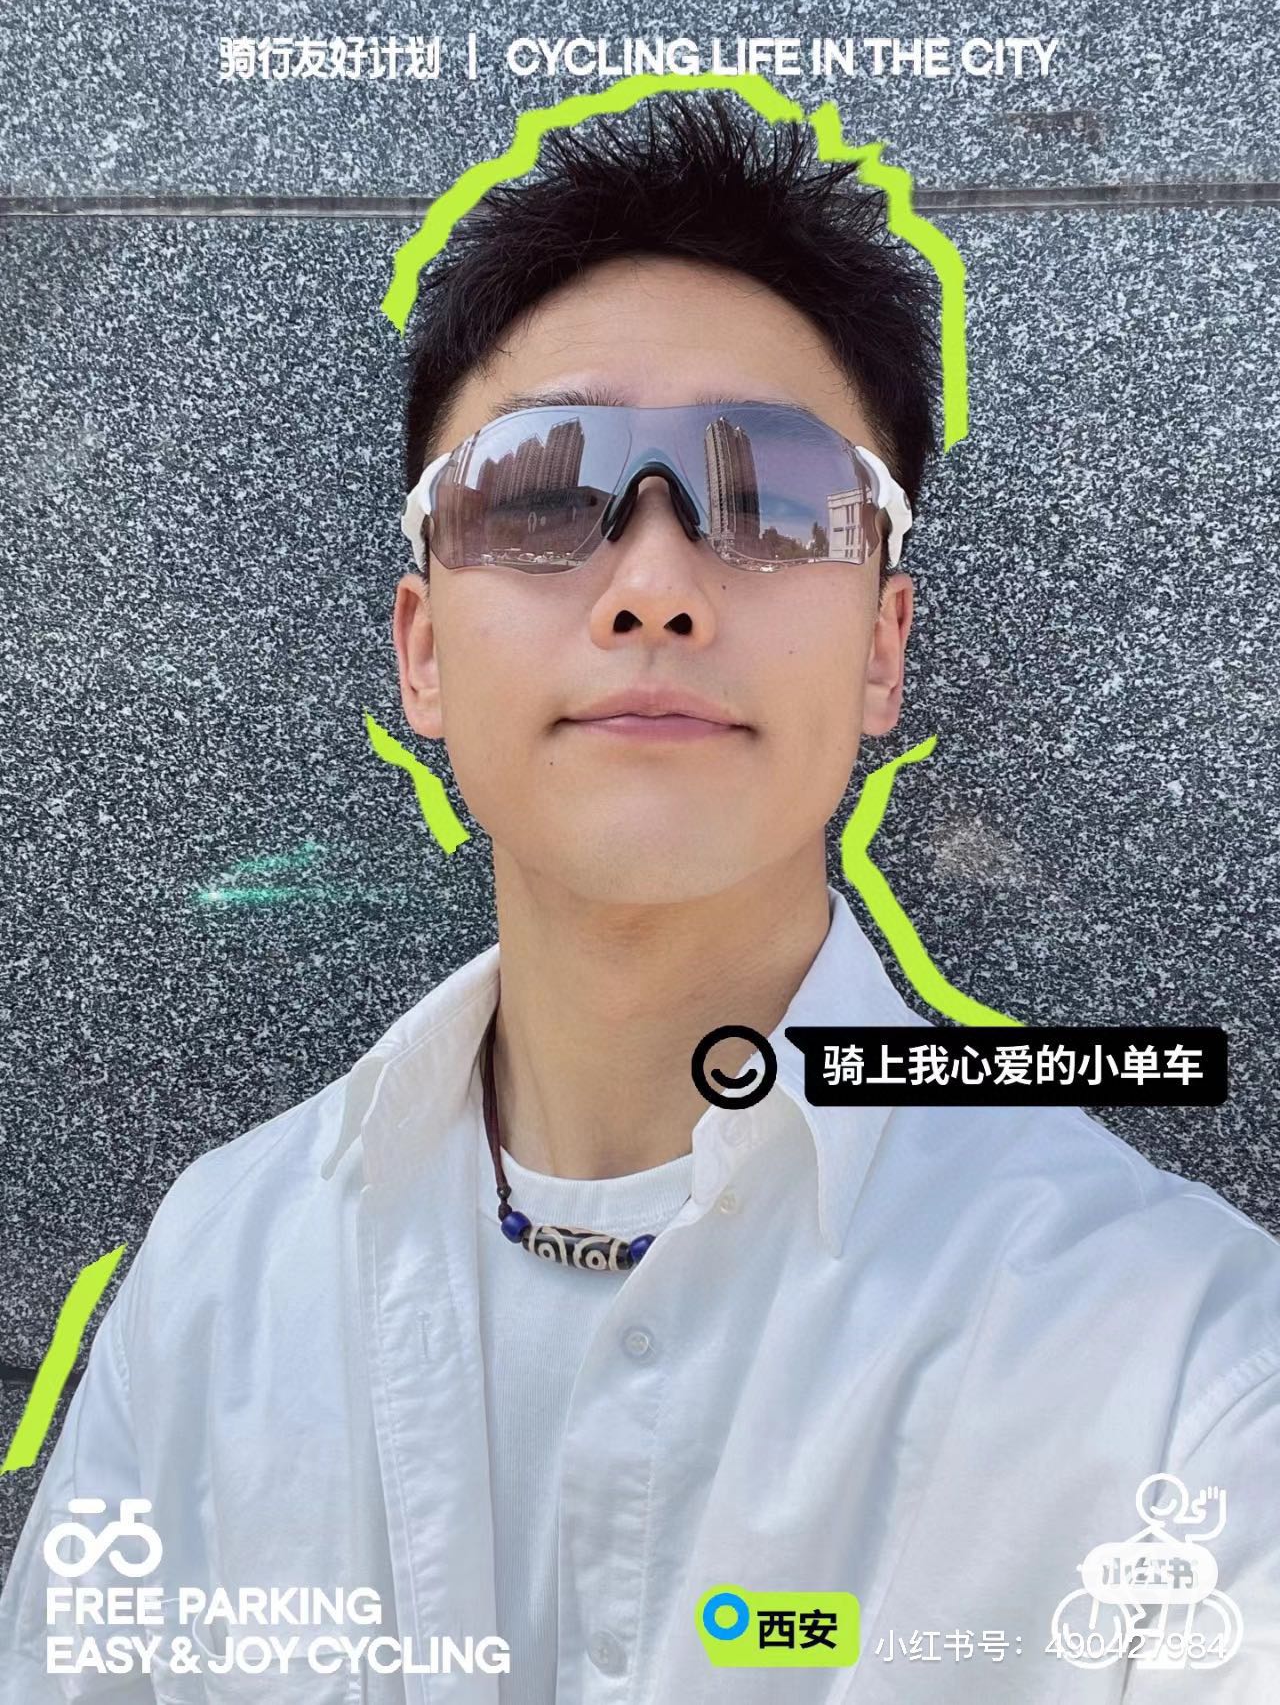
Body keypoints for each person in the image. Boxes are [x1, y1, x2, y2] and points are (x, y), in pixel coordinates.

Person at [2, 92, 1278, 1705]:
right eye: (542, 492)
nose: (657, 587)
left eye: (774, 495)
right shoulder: (216, 1284)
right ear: (420, 653)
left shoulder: (1186, 1370)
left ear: (883, 649)